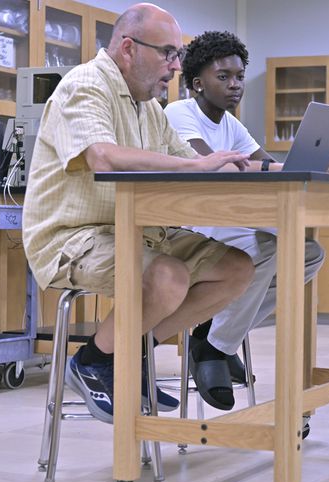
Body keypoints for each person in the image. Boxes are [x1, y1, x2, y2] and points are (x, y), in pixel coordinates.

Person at [22, 5, 256, 423]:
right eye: (168, 53)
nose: (176, 66)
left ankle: (129, 352)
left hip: (140, 230)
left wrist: (287, 168)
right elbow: (103, 158)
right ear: (128, 48)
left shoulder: (148, 106)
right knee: (168, 276)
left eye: (177, 54)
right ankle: (92, 361)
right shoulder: (84, 86)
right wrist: (193, 165)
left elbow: (207, 164)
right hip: (74, 237)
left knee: (237, 268)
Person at [164, 30, 329, 396]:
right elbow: (217, 167)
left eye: (239, 77)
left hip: (229, 219)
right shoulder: (178, 112)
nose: (235, 85)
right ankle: (216, 346)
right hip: (188, 226)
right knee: (271, 247)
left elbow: (270, 164)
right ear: (198, 84)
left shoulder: (231, 124)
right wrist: (300, 166)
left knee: (309, 254)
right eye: (224, 77)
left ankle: (213, 332)